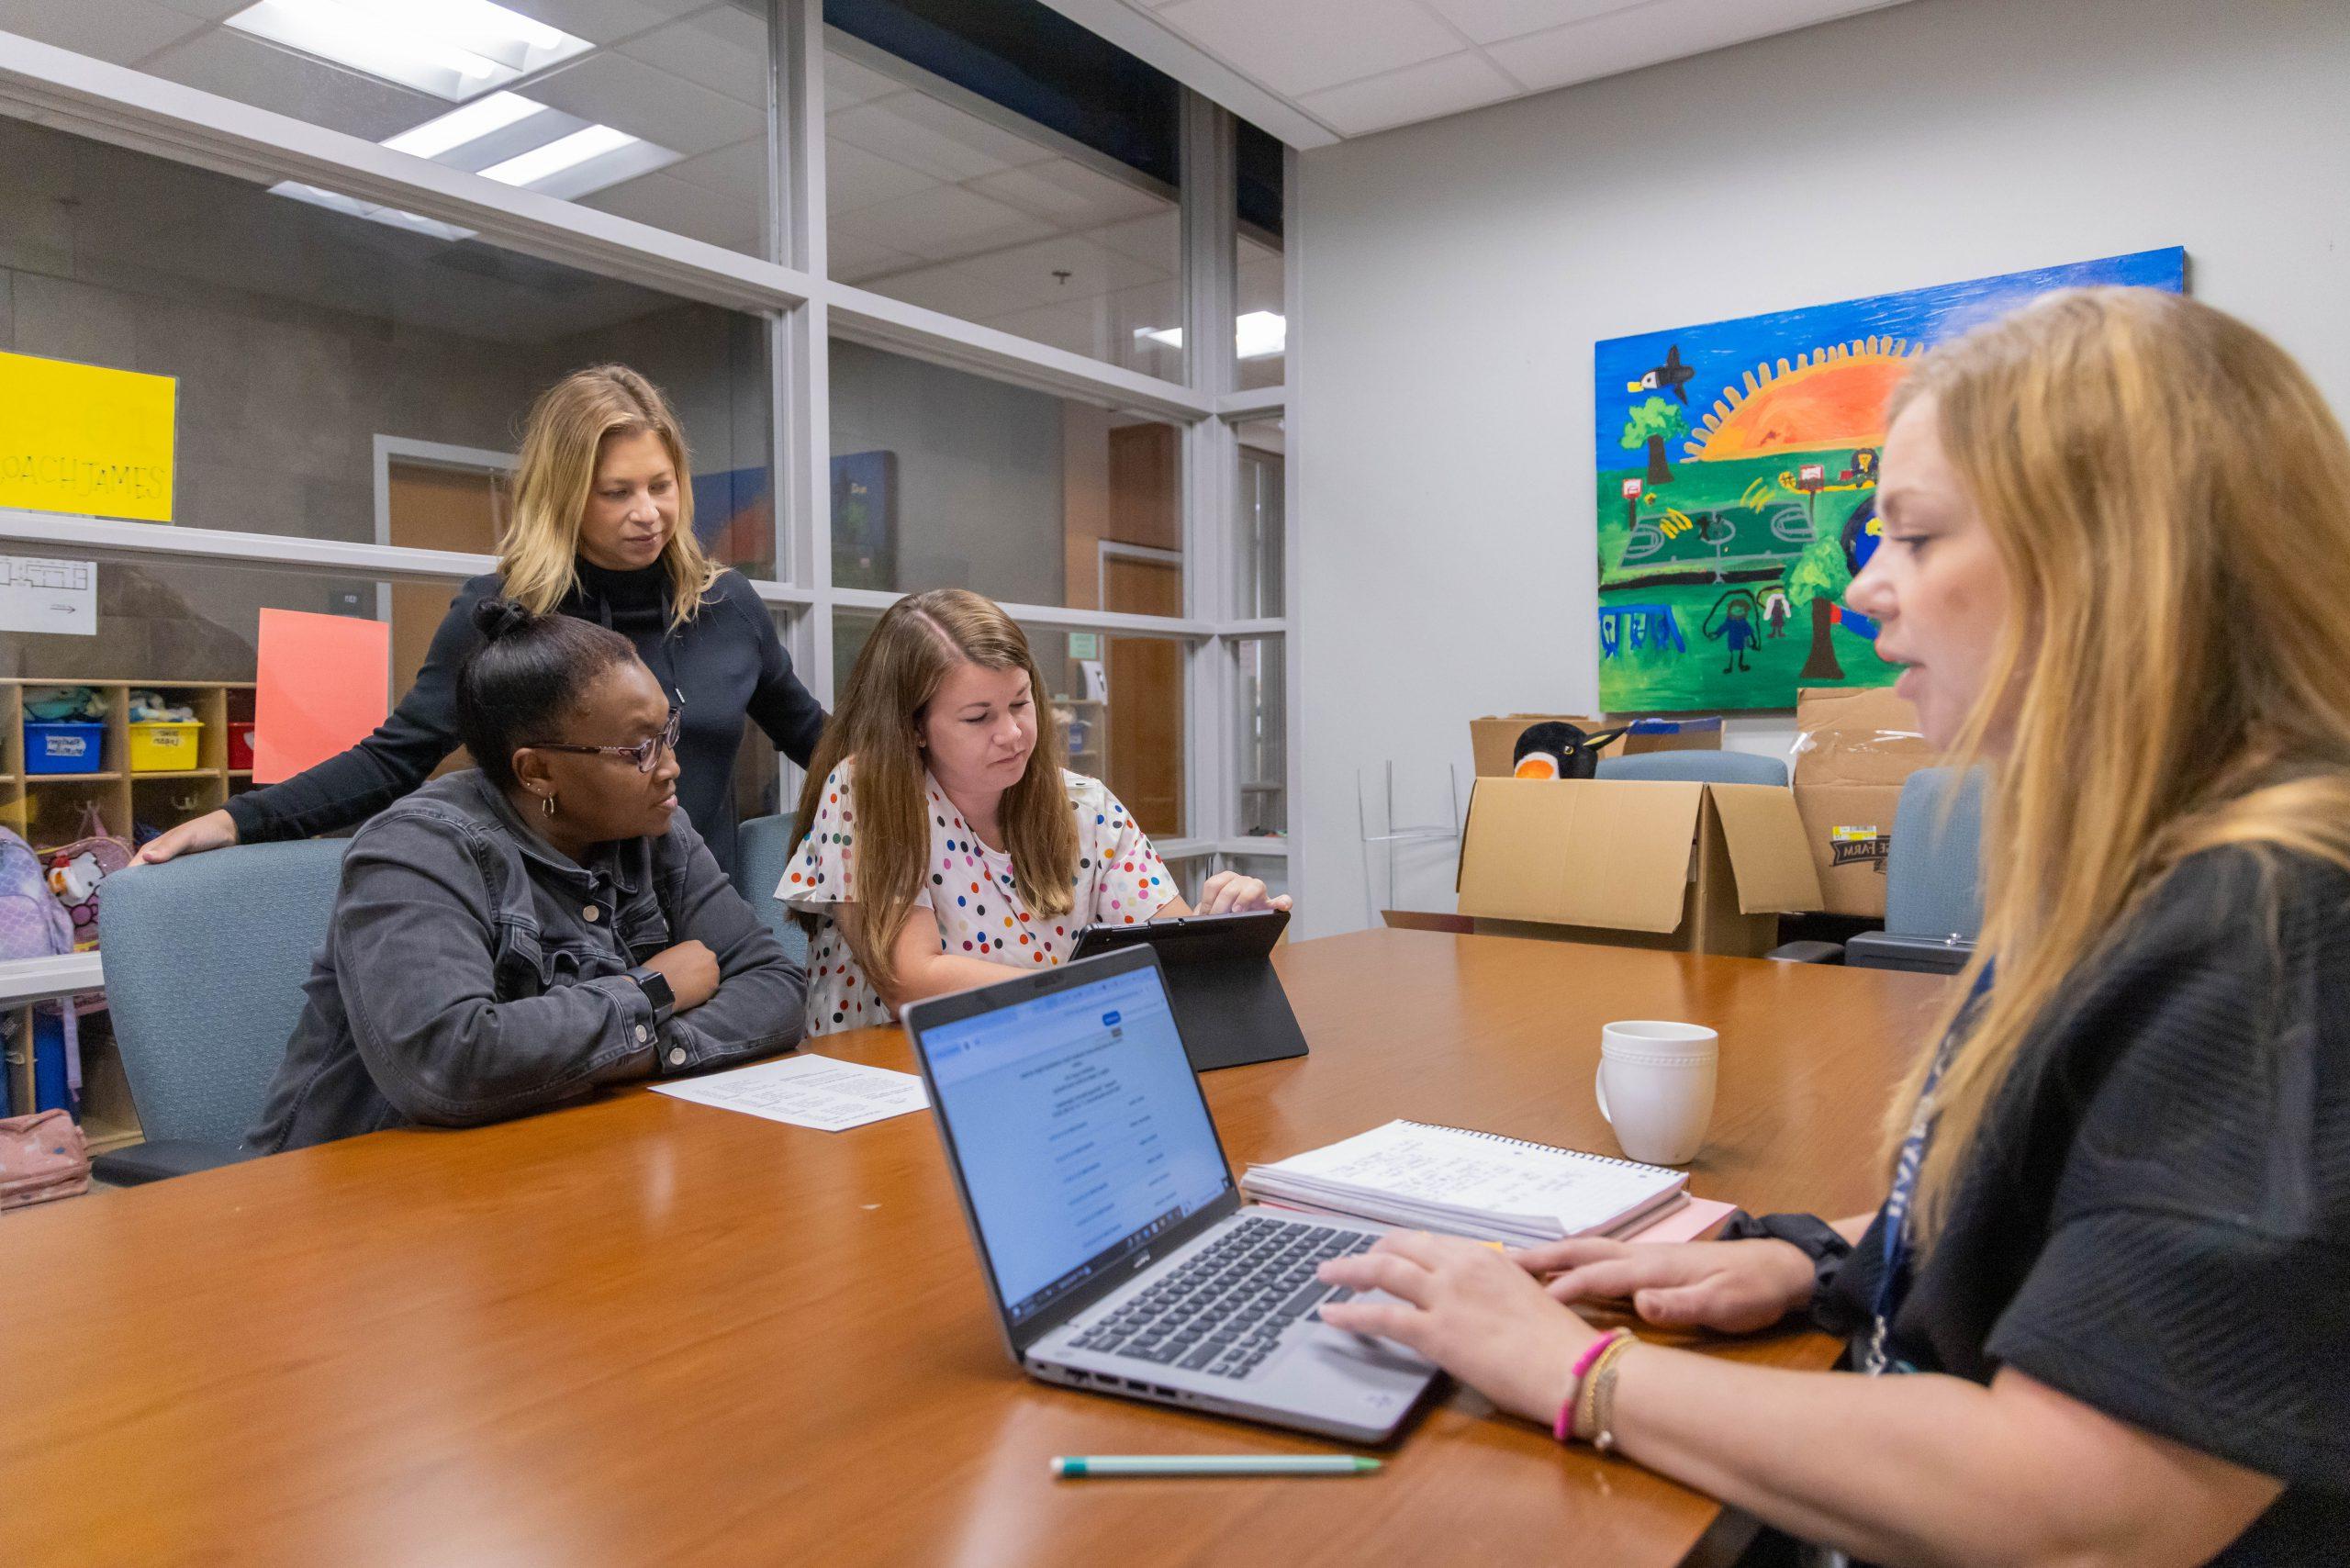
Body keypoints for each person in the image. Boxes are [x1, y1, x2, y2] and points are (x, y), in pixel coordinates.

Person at [1314, 290, 2348, 1567]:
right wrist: (1814, 1258)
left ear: (2110, 558)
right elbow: (2081, 1200)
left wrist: (1578, 1372)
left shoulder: (2282, 924)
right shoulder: (2150, 870)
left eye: (1913, 538)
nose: (1865, 590)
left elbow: (2086, 1510)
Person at [133, 364, 823, 879]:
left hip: (705, 926)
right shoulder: (504, 614)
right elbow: (394, 758)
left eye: (661, 485)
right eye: (617, 493)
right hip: (561, 942)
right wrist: (237, 819)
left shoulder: (726, 606)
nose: (648, 512)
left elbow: (819, 740)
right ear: (564, 496)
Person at [245, 599, 806, 1151]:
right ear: (537, 771)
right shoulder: (419, 850)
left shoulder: (659, 832)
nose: (669, 767)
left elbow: (775, 987)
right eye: (638, 748)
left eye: (668, 732)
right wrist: (653, 990)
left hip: (557, 1159)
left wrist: (632, 1050)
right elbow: (449, 1064)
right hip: (354, 1194)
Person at [778, 588, 1288, 1036]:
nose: (1012, 734)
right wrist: (1091, 993)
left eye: (1021, 704)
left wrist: (1219, 931)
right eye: (978, 718)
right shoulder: (865, 793)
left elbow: (1165, 956)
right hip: (890, 1079)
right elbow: (911, 982)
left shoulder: (1085, 805)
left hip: (1046, 1050)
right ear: (911, 728)